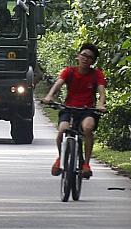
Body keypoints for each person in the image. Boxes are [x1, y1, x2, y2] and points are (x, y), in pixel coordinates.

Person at [43, 43, 106, 178]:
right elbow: (58, 85)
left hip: (88, 110)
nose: (85, 59)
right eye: (83, 55)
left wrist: (101, 105)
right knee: (62, 130)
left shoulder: (96, 74)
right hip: (69, 108)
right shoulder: (69, 71)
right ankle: (61, 158)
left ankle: (86, 164)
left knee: (88, 127)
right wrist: (49, 96)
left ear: (93, 61)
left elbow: (101, 93)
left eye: (90, 57)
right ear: (78, 56)